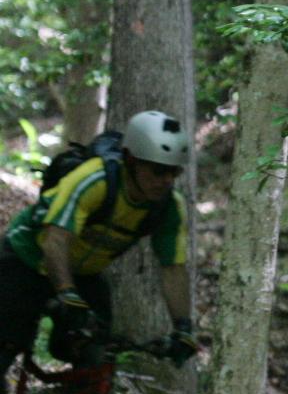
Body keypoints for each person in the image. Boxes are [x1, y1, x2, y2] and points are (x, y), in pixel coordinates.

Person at [0, 110, 197, 379]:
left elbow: (173, 269)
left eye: (174, 171)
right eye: (158, 170)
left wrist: (183, 328)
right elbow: (55, 241)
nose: (166, 180)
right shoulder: (95, 181)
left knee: (96, 358)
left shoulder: (168, 207)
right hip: (26, 258)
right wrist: (66, 293)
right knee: (6, 340)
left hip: (83, 275)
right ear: (131, 160)